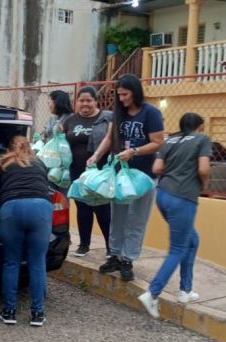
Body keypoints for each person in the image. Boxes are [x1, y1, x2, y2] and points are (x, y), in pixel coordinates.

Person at [87, 73, 164, 281]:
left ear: (135, 92)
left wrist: (135, 152)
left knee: (136, 219)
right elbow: (110, 137)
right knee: (118, 217)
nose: (122, 99)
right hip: (120, 175)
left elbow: (157, 142)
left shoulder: (151, 113)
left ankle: (128, 260)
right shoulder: (117, 114)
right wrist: (96, 155)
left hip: (143, 175)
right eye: (119, 95)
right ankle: (115, 255)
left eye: (125, 94)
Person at [138, 113, 212, 318]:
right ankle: (153, 293)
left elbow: (157, 167)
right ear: (199, 126)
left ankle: (185, 290)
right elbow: (204, 168)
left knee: (192, 240)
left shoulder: (169, 139)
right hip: (183, 198)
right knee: (178, 247)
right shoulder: (202, 139)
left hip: (163, 195)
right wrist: (203, 183)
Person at [0, 135, 53, 327]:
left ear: (9, 148)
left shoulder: (2, 163)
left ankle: (9, 312)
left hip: (11, 208)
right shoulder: (40, 163)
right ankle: (37, 314)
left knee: (11, 262)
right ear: (30, 147)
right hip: (40, 208)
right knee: (37, 263)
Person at [62, 85, 113, 258]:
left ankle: (110, 246)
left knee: (103, 210)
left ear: (95, 101)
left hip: (99, 173)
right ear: (77, 102)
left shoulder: (106, 118)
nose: (85, 104)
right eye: (81, 100)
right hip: (77, 172)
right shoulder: (70, 120)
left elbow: (112, 140)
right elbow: (61, 142)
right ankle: (84, 245)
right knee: (83, 208)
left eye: (89, 100)